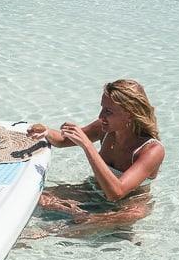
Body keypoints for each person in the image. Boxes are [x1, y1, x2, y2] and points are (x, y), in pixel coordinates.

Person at [27, 79, 164, 235]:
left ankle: (42, 234)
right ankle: (76, 216)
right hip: (92, 190)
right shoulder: (104, 128)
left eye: (108, 111)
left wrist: (87, 146)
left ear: (130, 114)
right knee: (34, 196)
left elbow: (116, 193)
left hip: (123, 207)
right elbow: (62, 140)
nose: (101, 116)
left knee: (61, 230)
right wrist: (45, 131)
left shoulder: (152, 150)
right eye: (102, 108)